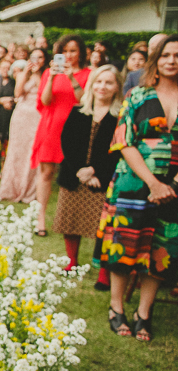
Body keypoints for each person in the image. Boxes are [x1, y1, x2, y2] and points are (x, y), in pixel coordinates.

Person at [98, 35, 178, 342]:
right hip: (133, 182)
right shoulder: (138, 95)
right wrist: (153, 183)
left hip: (173, 188)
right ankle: (116, 307)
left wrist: (170, 185)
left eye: (177, 55)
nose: (171, 60)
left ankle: (144, 313)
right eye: (166, 55)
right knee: (124, 245)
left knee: (161, 250)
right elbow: (123, 141)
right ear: (156, 60)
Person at [53, 65, 122, 273]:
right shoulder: (78, 111)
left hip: (102, 178)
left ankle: (103, 271)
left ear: (117, 87)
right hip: (74, 175)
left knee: (103, 226)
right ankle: (72, 261)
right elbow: (67, 142)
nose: (102, 86)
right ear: (92, 85)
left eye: (108, 82)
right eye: (99, 81)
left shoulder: (120, 117)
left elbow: (117, 149)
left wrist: (94, 171)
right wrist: (80, 170)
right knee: (71, 220)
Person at [32, 35, 91, 236]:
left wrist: (72, 78)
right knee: (46, 172)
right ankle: (40, 218)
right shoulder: (49, 73)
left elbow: (85, 101)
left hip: (76, 130)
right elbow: (45, 101)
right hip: (51, 127)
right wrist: (51, 78)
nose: (68, 55)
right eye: (64, 51)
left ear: (80, 53)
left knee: (72, 174)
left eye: (73, 51)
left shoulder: (88, 74)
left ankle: (71, 221)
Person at [0, 48, 47, 203]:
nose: (37, 60)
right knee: (16, 150)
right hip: (21, 116)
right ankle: (11, 188)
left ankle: (28, 190)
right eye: (34, 57)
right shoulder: (22, 73)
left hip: (37, 115)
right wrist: (26, 73)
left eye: (40, 57)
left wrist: (37, 75)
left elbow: (43, 95)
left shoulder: (46, 75)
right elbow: (18, 93)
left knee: (31, 151)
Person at [0, 58, 16, 169]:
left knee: (7, 141)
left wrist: (9, 100)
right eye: (3, 68)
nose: (5, 70)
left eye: (8, 68)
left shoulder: (13, 82)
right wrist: (0, 101)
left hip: (8, 115)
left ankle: (4, 167)